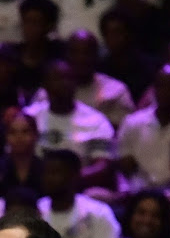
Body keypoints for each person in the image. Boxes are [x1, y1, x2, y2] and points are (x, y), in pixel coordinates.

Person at [24, 59, 116, 189]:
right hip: (33, 186)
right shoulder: (29, 116)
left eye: (68, 79)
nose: (63, 84)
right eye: (57, 79)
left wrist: (66, 180)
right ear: (45, 85)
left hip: (79, 188)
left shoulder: (96, 121)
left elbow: (103, 166)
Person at [37, 149, 121, 238]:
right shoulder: (36, 211)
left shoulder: (98, 212)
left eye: (55, 173)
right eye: (46, 173)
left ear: (74, 175)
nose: (48, 178)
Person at [117, 64, 170, 189]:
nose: (165, 92)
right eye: (161, 86)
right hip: (136, 194)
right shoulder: (133, 123)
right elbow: (124, 164)